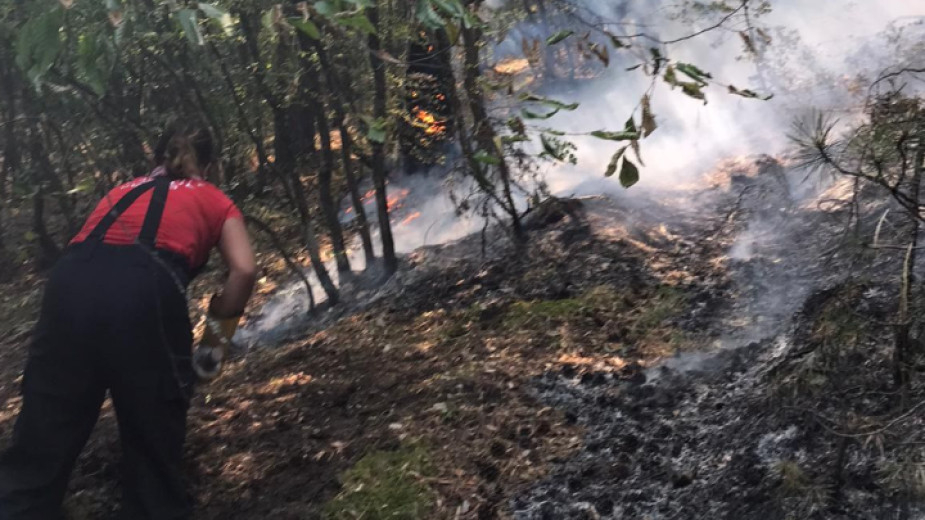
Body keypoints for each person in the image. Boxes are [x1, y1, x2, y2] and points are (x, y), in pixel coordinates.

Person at [0, 125, 257, 519]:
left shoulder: (121, 191)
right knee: (153, 451)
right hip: (144, 294)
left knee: (40, 444)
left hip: (69, 286)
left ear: (155, 161)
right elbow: (243, 271)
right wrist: (212, 348)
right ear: (210, 164)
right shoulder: (215, 198)